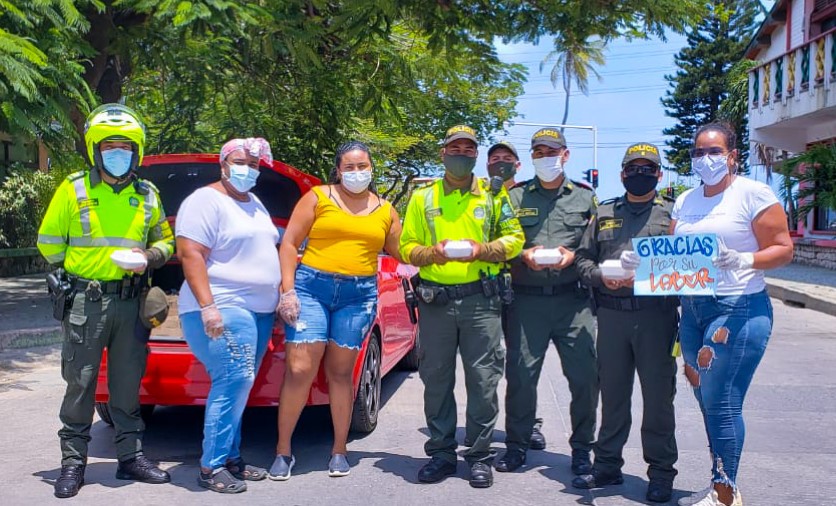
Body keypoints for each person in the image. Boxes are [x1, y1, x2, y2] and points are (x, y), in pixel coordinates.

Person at [626, 123, 792, 506]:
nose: (706, 159)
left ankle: (725, 494)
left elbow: (783, 249)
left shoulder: (753, 194)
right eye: (698, 152)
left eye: (714, 151)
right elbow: (673, 254)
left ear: (733, 155)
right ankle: (721, 483)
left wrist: (744, 258)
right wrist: (644, 263)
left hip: (738, 308)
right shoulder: (686, 200)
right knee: (706, 400)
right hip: (695, 309)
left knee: (721, 402)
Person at [37, 103, 175, 498]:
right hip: (87, 301)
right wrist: (80, 271)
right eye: (110, 145)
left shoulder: (147, 194)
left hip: (131, 303)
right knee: (79, 384)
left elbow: (164, 240)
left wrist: (149, 258)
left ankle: (130, 458)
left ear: (138, 151)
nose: (119, 153)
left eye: (126, 146)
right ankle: (73, 463)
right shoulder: (74, 188)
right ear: (96, 149)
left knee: (127, 385)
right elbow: (48, 244)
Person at [399, 125, 524, 488]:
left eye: (469, 150)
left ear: (475, 156)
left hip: (481, 302)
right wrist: (432, 253)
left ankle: (480, 455)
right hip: (436, 301)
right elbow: (407, 246)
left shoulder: (491, 194)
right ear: (443, 153)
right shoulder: (424, 197)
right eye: (455, 148)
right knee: (435, 380)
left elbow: (515, 239)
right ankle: (441, 454)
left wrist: (482, 250)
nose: (462, 154)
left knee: (483, 381)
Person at [271, 141, 403, 480]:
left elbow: (403, 251)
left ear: (372, 169)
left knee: (341, 374)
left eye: (363, 166)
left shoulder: (385, 210)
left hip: (358, 295)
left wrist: (437, 253)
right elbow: (288, 243)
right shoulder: (319, 197)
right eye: (350, 167)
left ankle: (339, 450)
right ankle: (283, 450)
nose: (357, 172)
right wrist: (287, 290)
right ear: (338, 169)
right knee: (300, 368)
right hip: (311, 288)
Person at [572, 143, 679, 503]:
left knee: (658, 399)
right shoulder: (603, 214)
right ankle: (606, 466)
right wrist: (602, 277)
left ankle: (661, 473)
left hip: (656, 317)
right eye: (633, 168)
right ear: (622, 174)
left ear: (658, 175)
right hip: (612, 315)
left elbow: (684, 266)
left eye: (647, 168)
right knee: (613, 396)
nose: (640, 173)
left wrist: (645, 277)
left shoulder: (671, 216)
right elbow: (582, 260)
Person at [176, 137, 279, 493]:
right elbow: (190, 253)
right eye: (240, 161)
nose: (248, 169)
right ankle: (212, 465)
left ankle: (231, 459)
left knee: (241, 383)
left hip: (258, 310)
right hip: (222, 304)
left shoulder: (254, 203)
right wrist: (209, 307)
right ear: (223, 163)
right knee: (233, 379)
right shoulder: (205, 200)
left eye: (254, 164)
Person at [496, 128, 598, 476]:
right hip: (527, 301)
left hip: (574, 302)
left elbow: (595, 245)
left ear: (566, 155)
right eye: (538, 152)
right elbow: (501, 242)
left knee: (585, 378)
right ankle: (516, 446)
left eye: (551, 152)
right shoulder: (516, 197)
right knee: (521, 377)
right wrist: (524, 254)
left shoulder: (586, 198)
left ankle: (583, 450)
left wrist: (575, 256)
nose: (545, 158)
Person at [485, 140, 546, 451]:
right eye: (494, 158)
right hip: (484, 289)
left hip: (522, 289)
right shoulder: (477, 196)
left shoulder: (529, 196)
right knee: (484, 362)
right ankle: (482, 425)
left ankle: (528, 423)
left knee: (523, 363)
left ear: (518, 165)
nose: (500, 163)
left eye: (507, 158)